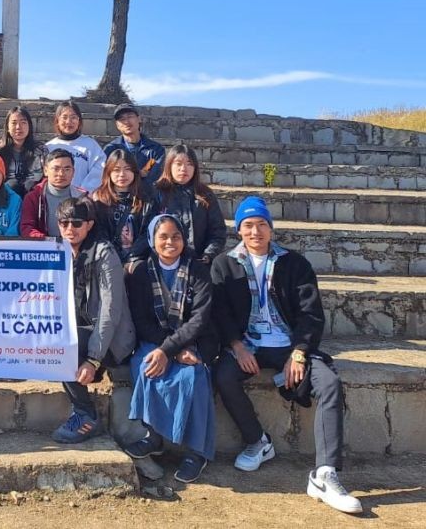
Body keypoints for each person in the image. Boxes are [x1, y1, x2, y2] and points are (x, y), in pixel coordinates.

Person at [211, 197, 362, 515]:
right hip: (249, 345)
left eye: (262, 224)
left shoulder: (295, 264)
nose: (256, 232)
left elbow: (311, 314)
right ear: (239, 230)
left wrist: (299, 352)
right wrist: (236, 345)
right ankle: (257, 441)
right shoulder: (225, 265)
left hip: (288, 345)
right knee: (223, 375)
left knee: (330, 383)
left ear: (271, 228)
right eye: (248, 226)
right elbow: (220, 314)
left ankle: (325, 474)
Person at [123, 214, 218, 483]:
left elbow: (200, 318)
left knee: (194, 376)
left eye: (176, 236)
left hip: (193, 340)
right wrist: (169, 350)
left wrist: (174, 348)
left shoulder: (198, 270)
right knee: (147, 367)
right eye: (163, 236)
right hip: (157, 340)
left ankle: (196, 451)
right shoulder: (141, 271)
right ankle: (154, 437)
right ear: (153, 241)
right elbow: (141, 320)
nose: (170, 242)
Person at [51, 198, 136, 444]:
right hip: (82, 330)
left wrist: (92, 359)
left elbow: (111, 311)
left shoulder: (104, 253)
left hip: (112, 340)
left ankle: (86, 414)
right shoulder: (60, 251)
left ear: (89, 224)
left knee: (64, 345)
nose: (70, 229)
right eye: (64, 222)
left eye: (76, 223)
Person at [154, 144, 226, 263]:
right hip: (163, 261)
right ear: (169, 165)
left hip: (199, 261)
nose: (184, 169)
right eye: (178, 164)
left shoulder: (205, 194)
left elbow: (218, 232)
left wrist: (208, 255)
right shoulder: (156, 193)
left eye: (189, 164)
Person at [91, 149, 155, 262]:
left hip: (137, 260)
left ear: (134, 172)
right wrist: (112, 254)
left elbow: (148, 232)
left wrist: (132, 256)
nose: (122, 174)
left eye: (127, 169)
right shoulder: (98, 199)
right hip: (106, 258)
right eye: (116, 170)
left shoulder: (145, 199)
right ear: (108, 172)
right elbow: (98, 232)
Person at [43, 100, 107, 194]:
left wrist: (82, 192)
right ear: (57, 121)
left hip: (84, 198)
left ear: (79, 121)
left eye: (73, 117)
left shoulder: (90, 145)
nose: (69, 122)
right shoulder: (49, 147)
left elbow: (100, 170)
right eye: (64, 117)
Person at [21, 149, 81, 238]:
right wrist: (45, 241)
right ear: (45, 171)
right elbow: (27, 227)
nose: (61, 174)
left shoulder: (82, 198)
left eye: (67, 169)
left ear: (73, 172)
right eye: (56, 169)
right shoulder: (34, 197)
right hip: (44, 248)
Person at [103, 103, 166, 186]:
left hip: (147, 196)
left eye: (130, 116)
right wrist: (140, 173)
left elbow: (154, 178)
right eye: (122, 119)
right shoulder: (110, 149)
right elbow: (107, 176)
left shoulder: (156, 149)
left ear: (139, 119)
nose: (126, 121)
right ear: (117, 125)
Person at [0, 105, 47, 197]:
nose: (18, 127)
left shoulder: (41, 150)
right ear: (7, 128)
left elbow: (47, 177)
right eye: (14, 123)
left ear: (29, 126)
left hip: (34, 197)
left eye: (23, 122)